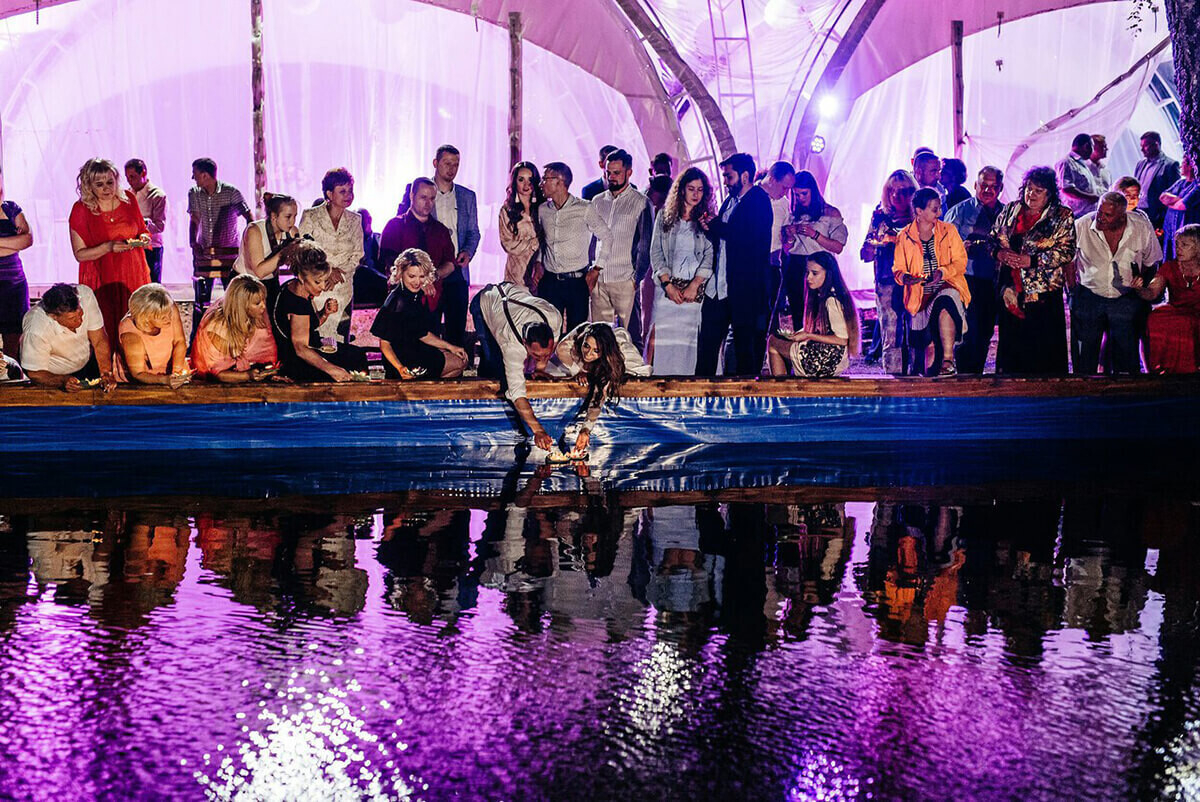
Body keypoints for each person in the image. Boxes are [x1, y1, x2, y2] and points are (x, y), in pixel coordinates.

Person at [992, 166, 1077, 374]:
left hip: (1043, 293)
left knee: (1043, 352)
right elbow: (992, 239)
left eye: (1039, 191)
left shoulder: (1062, 216)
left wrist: (1032, 260)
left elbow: (1067, 252)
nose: (1031, 194)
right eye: (1029, 188)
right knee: (1012, 350)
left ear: (1049, 193)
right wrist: (998, 253)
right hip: (1011, 290)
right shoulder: (1010, 210)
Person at [697, 152, 773, 376]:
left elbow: (747, 238)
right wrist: (710, 228)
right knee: (708, 345)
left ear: (745, 176)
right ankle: (703, 389)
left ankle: (744, 392)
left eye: (729, 176)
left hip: (744, 288)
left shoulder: (759, 200)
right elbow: (724, 240)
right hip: (719, 286)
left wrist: (716, 226)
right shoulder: (730, 201)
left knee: (744, 348)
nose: (725, 182)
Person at [1069, 191, 1162, 374]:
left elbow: (1152, 261)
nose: (1100, 218)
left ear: (1122, 216)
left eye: (1107, 215)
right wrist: (1073, 291)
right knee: (1084, 356)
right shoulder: (1081, 226)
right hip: (1089, 295)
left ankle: (1123, 389)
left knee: (1126, 357)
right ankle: (1084, 390)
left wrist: (1140, 286)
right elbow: (1068, 262)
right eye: (1099, 211)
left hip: (1126, 297)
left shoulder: (1141, 226)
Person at [68, 158, 151, 350]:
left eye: (110, 182)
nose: (106, 188)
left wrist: (143, 238)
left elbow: (142, 230)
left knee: (136, 324)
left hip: (133, 272)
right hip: (102, 277)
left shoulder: (128, 199)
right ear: (89, 186)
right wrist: (108, 247)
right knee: (107, 328)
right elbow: (80, 254)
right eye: (99, 184)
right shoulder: (81, 209)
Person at [470, 281, 563, 450]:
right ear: (524, 342)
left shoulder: (553, 316)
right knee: (493, 364)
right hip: (484, 303)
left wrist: (539, 369)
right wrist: (538, 430)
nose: (544, 358)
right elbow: (517, 393)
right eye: (536, 355)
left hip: (510, 292)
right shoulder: (511, 344)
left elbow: (551, 345)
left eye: (547, 353)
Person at [893, 188, 971, 376]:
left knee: (946, 301)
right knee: (928, 347)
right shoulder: (904, 236)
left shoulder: (948, 231)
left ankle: (948, 360)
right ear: (919, 211)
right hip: (920, 295)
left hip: (947, 285)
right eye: (935, 209)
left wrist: (942, 272)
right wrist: (906, 278)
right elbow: (898, 268)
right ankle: (932, 375)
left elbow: (960, 262)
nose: (939, 213)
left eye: (939, 208)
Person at [647, 167, 714, 375]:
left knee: (688, 342)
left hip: (694, 292)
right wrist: (668, 285)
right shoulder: (664, 216)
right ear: (682, 189)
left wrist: (695, 285)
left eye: (700, 190)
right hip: (667, 288)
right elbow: (656, 252)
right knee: (660, 338)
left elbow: (710, 254)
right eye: (691, 188)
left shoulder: (707, 219)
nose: (696, 194)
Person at [270, 240, 367, 382]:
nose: (322, 287)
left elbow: (307, 326)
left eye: (324, 280)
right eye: (317, 282)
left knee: (356, 354)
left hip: (307, 349)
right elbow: (300, 348)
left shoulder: (293, 286)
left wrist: (325, 313)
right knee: (355, 359)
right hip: (297, 363)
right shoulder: (298, 302)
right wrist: (332, 369)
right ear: (302, 277)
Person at [536, 162, 612, 332]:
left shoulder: (584, 208)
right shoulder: (543, 210)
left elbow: (607, 236)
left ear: (559, 182)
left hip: (577, 283)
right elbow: (543, 240)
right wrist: (539, 261)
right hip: (549, 282)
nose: (541, 184)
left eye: (545, 179)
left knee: (576, 333)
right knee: (548, 331)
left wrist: (597, 269)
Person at [555, 322, 650, 454]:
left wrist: (585, 429)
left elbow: (599, 396)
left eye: (596, 350)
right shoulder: (575, 340)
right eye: (586, 346)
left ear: (603, 352)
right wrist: (580, 370)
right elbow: (561, 349)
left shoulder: (615, 359)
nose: (588, 354)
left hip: (623, 361)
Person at [371, 248, 467, 379]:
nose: (417, 282)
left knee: (459, 358)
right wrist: (400, 367)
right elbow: (384, 344)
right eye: (412, 276)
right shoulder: (397, 301)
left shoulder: (413, 296)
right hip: (404, 362)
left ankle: (425, 388)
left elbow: (422, 333)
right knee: (458, 362)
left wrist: (451, 347)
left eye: (421, 276)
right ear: (400, 273)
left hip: (416, 352)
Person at [944, 166, 1004, 374]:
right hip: (967, 279)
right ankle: (964, 377)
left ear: (1000, 188)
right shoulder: (959, 212)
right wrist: (962, 248)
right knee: (968, 331)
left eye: (993, 187)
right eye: (983, 185)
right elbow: (944, 245)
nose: (988, 190)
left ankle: (977, 375)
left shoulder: (1007, 212)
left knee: (986, 330)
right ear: (975, 185)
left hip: (996, 280)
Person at [589, 149, 653, 336]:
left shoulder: (641, 202)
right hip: (599, 280)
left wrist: (636, 279)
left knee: (629, 337)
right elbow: (591, 240)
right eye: (608, 172)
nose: (611, 177)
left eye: (616, 173)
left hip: (625, 279)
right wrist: (590, 270)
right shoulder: (597, 201)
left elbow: (645, 245)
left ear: (629, 172)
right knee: (599, 337)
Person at [861, 170, 918, 374]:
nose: (897, 196)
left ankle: (917, 373)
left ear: (912, 193)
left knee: (916, 327)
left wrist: (897, 240)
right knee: (890, 329)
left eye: (903, 191)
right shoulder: (880, 217)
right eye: (892, 191)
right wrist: (871, 247)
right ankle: (893, 374)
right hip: (887, 279)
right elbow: (866, 252)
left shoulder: (919, 217)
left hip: (915, 279)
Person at [768, 251, 858, 378]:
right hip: (829, 357)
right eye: (807, 272)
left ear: (828, 274)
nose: (808, 278)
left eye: (815, 273)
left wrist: (808, 335)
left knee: (773, 342)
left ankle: (782, 389)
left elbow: (842, 339)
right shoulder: (825, 295)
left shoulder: (832, 300)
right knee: (783, 341)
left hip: (827, 360)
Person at [299, 168, 364, 343]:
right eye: (342, 191)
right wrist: (328, 272)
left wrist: (338, 274)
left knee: (340, 340)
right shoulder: (311, 216)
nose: (348, 195)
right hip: (317, 287)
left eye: (350, 190)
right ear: (329, 193)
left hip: (343, 288)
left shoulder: (355, 219)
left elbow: (358, 255)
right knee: (315, 339)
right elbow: (303, 252)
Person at [188, 157, 253, 325]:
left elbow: (249, 217)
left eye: (195, 173)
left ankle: (234, 330)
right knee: (201, 298)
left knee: (232, 297)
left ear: (205, 175)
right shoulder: (194, 193)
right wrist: (193, 243)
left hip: (229, 254)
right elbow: (194, 219)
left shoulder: (231, 192)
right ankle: (198, 334)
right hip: (205, 253)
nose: (193, 177)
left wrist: (248, 243)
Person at [781, 170, 847, 332]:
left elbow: (838, 247)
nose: (800, 198)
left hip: (820, 264)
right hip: (797, 265)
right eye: (796, 195)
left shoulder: (830, 213)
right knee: (798, 311)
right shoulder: (792, 214)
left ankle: (823, 342)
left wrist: (814, 235)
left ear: (813, 191)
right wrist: (789, 235)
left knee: (822, 310)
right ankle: (801, 343)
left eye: (804, 194)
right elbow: (786, 249)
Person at [428, 145, 480, 347]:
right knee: (429, 326)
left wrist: (467, 252)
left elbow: (473, 232)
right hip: (430, 269)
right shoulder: (423, 191)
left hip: (457, 269)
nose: (451, 169)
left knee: (456, 327)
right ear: (436, 163)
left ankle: (455, 363)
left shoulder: (467, 196)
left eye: (456, 164)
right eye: (447, 163)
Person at [20, 283, 115, 392]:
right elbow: (35, 373)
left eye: (81, 313)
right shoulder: (36, 329)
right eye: (72, 318)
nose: (80, 320)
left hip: (87, 363)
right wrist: (62, 380)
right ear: (54, 317)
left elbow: (99, 340)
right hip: (52, 376)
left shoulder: (85, 296)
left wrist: (106, 372)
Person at [378, 178, 456, 310]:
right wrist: (418, 281)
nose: (428, 203)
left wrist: (432, 276)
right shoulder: (394, 226)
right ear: (412, 196)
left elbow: (450, 263)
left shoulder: (440, 230)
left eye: (432, 198)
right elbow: (390, 263)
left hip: (432, 298)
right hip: (401, 300)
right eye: (423, 197)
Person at [191, 273, 279, 382]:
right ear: (242, 305)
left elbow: (267, 353)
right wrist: (247, 376)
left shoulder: (259, 314)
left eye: (264, 300)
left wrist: (269, 372)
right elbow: (215, 373)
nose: (264, 306)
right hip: (214, 381)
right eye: (257, 303)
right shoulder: (218, 327)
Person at [1143, 224, 1200, 373]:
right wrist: (1139, 289)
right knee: (1156, 317)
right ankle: (1161, 368)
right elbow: (1152, 292)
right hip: (1176, 310)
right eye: (1177, 244)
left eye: (1184, 245)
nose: (1178, 249)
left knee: (1186, 323)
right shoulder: (1170, 266)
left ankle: (1188, 370)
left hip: (1196, 312)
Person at [233, 193, 299, 307]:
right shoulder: (254, 230)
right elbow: (260, 272)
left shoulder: (292, 231)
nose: (292, 222)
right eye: (288, 217)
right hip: (245, 285)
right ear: (274, 216)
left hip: (271, 283)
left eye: (295, 216)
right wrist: (286, 251)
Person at [117, 283, 189, 386]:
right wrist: (165, 380)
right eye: (163, 317)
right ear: (146, 318)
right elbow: (138, 373)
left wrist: (176, 372)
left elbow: (179, 341)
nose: (169, 319)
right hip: (144, 378)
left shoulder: (166, 307)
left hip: (172, 368)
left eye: (169, 313)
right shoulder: (130, 334)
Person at [0, 168, 34, 359]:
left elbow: (28, 240)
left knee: (14, 339)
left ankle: (13, 373)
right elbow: (20, 242)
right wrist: (13, 243)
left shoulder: (11, 208)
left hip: (15, 284)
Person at [498, 161, 544, 286]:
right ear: (514, 182)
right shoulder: (507, 211)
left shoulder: (544, 208)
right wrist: (534, 243)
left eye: (530, 179)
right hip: (516, 273)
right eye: (521, 179)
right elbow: (508, 244)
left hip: (540, 272)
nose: (526, 184)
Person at [124, 159, 167, 284]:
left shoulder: (157, 195)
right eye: (127, 177)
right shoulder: (127, 194)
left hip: (151, 248)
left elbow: (159, 226)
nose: (129, 181)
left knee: (152, 285)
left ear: (143, 173)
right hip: (132, 247)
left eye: (132, 177)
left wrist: (141, 222)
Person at [1134, 131, 1181, 234]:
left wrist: (1163, 218)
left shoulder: (1170, 165)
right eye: (1141, 146)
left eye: (1145, 146)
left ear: (1156, 144)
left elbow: (1175, 192)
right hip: (1138, 212)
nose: (1142, 149)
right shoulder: (1140, 164)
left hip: (1156, 216)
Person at [1161, 156, 1199, 259]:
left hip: (1186, 233)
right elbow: (1162, 197)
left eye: (1183, 163)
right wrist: (1180, 199)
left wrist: (1173, 202)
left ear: (1191, 165)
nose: (1181, 166)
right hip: (1171, 231)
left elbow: (1182, 205)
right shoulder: (1180, 183)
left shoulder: (1197, 186)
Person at [1057, 133, 1101, 217]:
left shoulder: (1082, 163)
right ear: (1086, 146)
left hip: (1086, 214)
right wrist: (1090, 197)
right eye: (1092, 147)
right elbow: (1067, 189)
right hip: (1075, 215)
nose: (1092, 151)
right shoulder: (1066, 162)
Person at [1088, 135, 1112, 200]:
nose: (1106, 149)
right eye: (1103, 146)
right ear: (1093, 148)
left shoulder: (1106, 170)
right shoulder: (1082, 168)